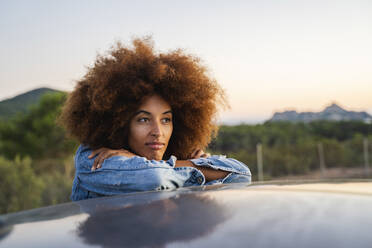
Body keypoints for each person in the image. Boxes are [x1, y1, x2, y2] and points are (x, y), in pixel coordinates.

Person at [59, 37, 251, 201]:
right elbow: (152, 178)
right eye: (143, 119)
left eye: (166, 120)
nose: (158, 132)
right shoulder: (94, 157)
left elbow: (242, 174)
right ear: (119, 123)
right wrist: (199, 169)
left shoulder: (170, 157)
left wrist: (185, 165)